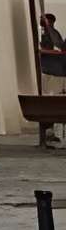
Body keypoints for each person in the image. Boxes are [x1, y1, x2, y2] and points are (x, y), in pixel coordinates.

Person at [40, 12, 66, 143]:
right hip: (52, 71)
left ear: (49, 21)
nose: (41, 21)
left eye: (43, 19)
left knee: (50, 101)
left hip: (52, 72)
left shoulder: (52, 33)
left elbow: (59, 50)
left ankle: (50, 132)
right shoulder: (48, 33)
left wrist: (40, 51)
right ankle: (50, 132)